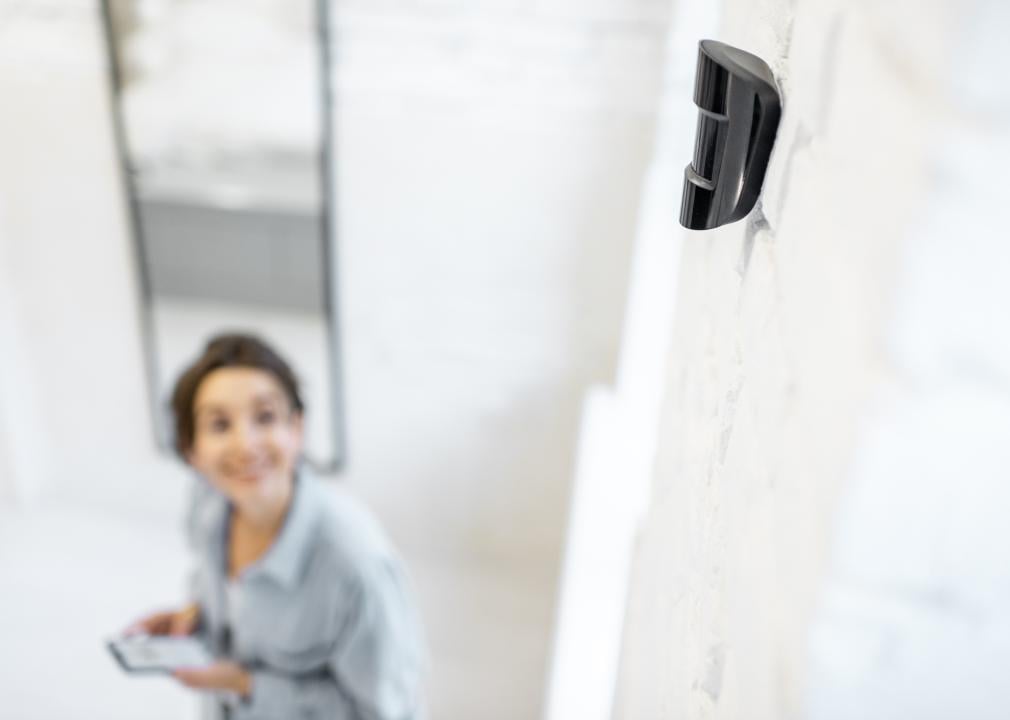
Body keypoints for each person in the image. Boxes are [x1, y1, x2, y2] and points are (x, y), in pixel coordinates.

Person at [126, 333, 425, 719]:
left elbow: (387, 712)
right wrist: (193, 620)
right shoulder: (208, 506)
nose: (245, 445)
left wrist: (244, 684)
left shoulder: (356, 566)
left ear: (296, 429)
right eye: (219, 424)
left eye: (264, 417)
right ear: (192, 451)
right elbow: (222, 593)